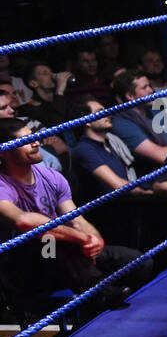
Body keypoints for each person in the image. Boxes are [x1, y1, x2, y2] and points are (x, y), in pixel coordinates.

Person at [0, 119, 152, 311]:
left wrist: (93, 241)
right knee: (48, 240)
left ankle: (104, 302)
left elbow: (76, 219)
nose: (36, 142)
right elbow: (23, 221)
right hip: (24, 268)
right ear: (4, 152)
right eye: (25, 141)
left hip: (67, 256)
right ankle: (100, 295)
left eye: (33, 136)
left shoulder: (50, 176)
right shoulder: (2, 185)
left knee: (138, 263)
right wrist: (80, 238)